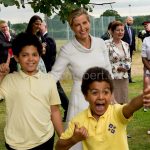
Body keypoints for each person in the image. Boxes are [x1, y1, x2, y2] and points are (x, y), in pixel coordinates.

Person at [50, 8, 113, 149]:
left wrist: (111, 95)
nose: (82, 28)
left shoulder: (100, 43)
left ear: (89, 22)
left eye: (84, 22)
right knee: (81, 141)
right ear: (72, 27)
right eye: (77, 25)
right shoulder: (67, 49)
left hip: (104, 98)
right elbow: (54, 75)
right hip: (81, 101)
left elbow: (108, 70)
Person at [55, 66, 150, 150]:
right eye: (95, 92)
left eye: (106, 92)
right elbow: (59, 147)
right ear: (85, 95)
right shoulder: (78, 121)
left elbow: (131, 106)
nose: (101, 97)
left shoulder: (116, 113)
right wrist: (73, 139)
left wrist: (143, 97)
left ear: (111, 94)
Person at [0, 32, 63, 150]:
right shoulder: (9, 80)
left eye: (34, 54)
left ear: (39, 56)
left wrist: (62, 137)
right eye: (25, 55)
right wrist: (1, 76)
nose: (30, 59)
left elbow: (54, 111)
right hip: (16, 144)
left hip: (45, 139)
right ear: (17, 57)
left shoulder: (49, 80)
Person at [40, 22, 69, 121]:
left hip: (51, 69)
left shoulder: (49, 39)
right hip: (43, 70)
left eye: (41, 25)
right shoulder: (40, 38)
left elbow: (51, 53)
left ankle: (68, 109)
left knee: (58, 91)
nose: (39, 27)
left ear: (45, 27)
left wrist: (43, 46)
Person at [105, 21, 131, 104]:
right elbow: (103, 62)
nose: (120, 32)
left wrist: (127, 67)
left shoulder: (126, 45)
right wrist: (117, 68)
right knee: (112, 104)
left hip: (124, 78)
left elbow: (128, 60)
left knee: (122, 104)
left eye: (122, 30)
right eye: (118, 30)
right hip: (111, 78)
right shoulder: (106, 44)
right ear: (112, 32)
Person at [122, 16, 136, 83]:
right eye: (130, 20)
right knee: (123, 63)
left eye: (132, 20)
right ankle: (123, 78)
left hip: (130, 49)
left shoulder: (132, 29)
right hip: (123, 48)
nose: (131, 22)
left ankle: (129, 78)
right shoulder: (122, 29)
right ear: (126, 20)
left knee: (129, 63)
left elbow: (133, 40)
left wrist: (133, 49)